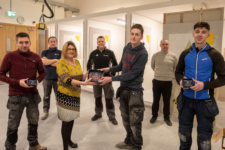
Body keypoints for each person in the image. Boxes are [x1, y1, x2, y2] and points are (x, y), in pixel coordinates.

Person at [175, 22, 225, 150]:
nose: (200, 34)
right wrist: (180, 81)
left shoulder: (214, 55)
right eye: (197, 31)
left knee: (204, 141)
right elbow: (178, 72)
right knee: (184, 137)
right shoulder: (185, 53)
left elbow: (223, 78)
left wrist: (204, 85)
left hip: (205, 103)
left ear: (208, 35)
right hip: (186, 100)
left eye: (203, 32)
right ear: (193, 34)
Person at [99, 24, 148, 150]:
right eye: (132, 33)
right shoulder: (127, 47)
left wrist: (111, 78)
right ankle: (128, 141)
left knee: (135, 121)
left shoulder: (143, 53)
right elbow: (121, 66)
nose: (134, 36)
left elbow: (132, 74)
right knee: (125, 118)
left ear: (141, 37)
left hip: (135, 92)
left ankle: (137, 145)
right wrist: (108, 69)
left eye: (137, 34)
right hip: (124, 90)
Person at [0, 32, 46, 150]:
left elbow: (42, 72)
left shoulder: (35, 57)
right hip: (16, 95)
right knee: (13, 123)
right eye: (21, 42)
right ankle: (10, 146)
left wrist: (37, 81)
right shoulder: (9, 57)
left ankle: (34, 144)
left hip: (32, 95)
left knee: (33, 121)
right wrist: (17, 82)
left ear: (30, 43)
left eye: (26, 42)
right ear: (16, 43)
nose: (24, 45)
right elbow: (1, 74)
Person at [56, 41, 96, 150]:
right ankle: (65, 147)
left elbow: (79, 77)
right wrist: (84, 83)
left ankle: (69, 140)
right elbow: (67, 79)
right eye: (69, 49)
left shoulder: (77, 62)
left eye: (73, 49)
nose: (71, 51)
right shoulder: (61, 63)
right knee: (66, 121)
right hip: (64, 96)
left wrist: (86, 75)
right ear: (65, 50)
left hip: (75, 96)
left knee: (72, 119)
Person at [87, 36, 118, 125]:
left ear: (105, 42)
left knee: (109, 98)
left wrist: (112, 75)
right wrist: (90, 76)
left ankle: (111, 116)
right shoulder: (93, 53)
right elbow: (89, 65)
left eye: (102, 41)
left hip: (106, 78)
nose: (101, 43)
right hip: (96, 77)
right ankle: (98, 114)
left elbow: (115, 65)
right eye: (99, 41)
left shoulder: (110, 53)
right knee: (97, 97)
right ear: (97, 43)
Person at [150, 40, 177, 126]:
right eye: (163, 44)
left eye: (166, 44)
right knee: (156, 100)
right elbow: (152, 66)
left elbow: (175, 68)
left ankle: (166, 117)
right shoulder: (155, 55)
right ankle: (154, 116)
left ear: (169, 45)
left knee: (167, 101)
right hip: (157, 81)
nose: (165, 46)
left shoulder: (173, 56)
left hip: (168, 82)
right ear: (160, 45)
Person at [41, 36, 61, 120]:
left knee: (59, 96)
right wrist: (55, 60)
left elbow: (61, 64)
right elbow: (43, 62)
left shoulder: (60, 52)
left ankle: (60, 111)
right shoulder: (44, 52)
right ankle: (45, 111)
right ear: (48, 42)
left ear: (56, 42)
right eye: (51, 41)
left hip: (58, 78)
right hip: (47, 78)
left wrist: (49, 61)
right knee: (46, 96)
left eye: (54, 41)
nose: (52, 43)